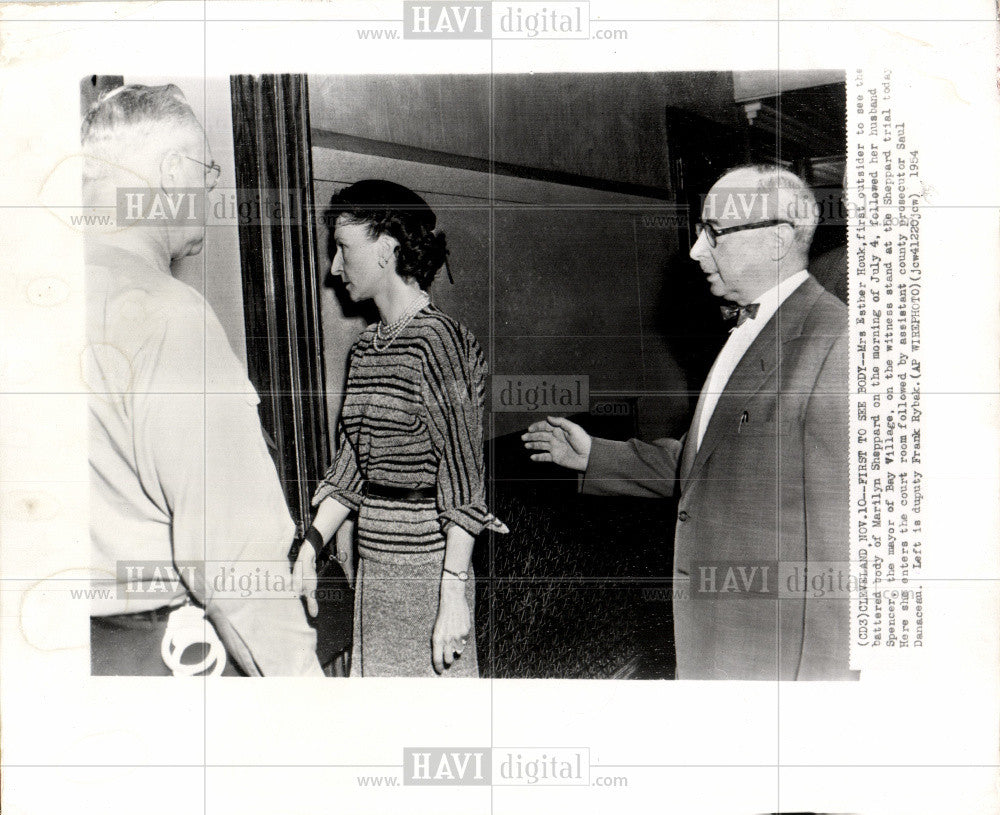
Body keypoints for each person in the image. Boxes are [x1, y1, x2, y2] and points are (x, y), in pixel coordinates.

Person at [523, 164, 856, 680]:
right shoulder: (749, 326)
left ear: (778, 239)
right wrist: (594, 454)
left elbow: (844, 558)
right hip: (714, 637)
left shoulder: (835, 343)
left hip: (768, 654)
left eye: (713, 234)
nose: (696, 251)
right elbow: (708, 463)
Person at [84, 84, 322, 676]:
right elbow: (238, 568)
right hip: (158, 664)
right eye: (208, 171)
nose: (214, 189)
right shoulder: (168, 314)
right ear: (172, 172)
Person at [293, 179, 507, 677]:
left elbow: (463, 477)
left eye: (344, 249)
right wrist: (309, 549)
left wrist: (452, 593)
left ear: (387, 250)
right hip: (376, 568)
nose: (334, 267)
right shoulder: (367, 349)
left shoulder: (441, 344)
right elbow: (350, 469)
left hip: (428, 573)